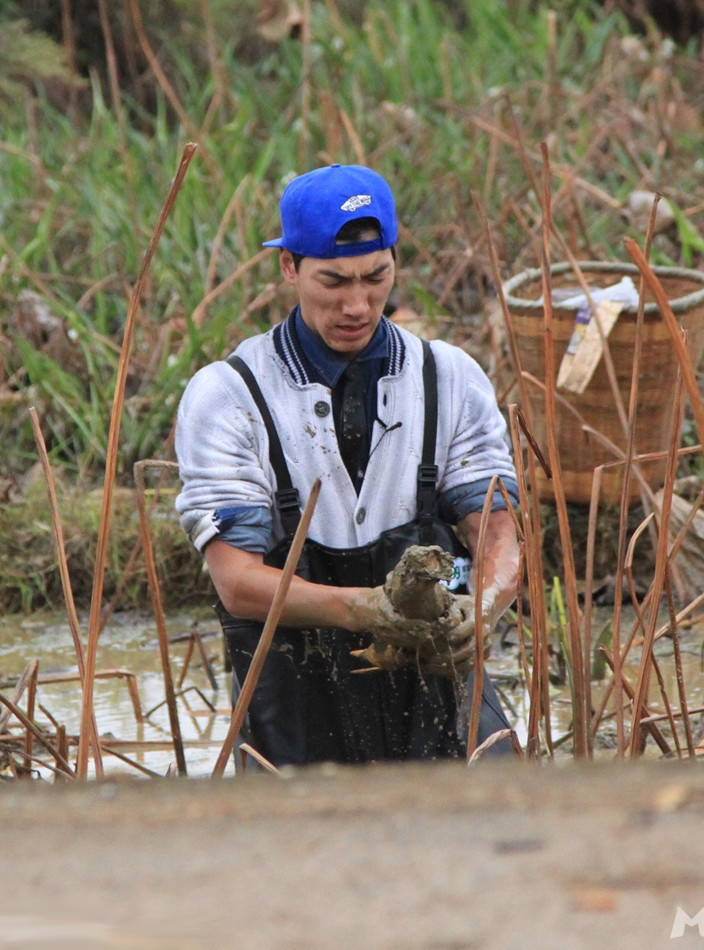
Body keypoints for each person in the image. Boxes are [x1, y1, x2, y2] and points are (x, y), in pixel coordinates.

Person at [174, 163, 521, 769]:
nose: (356, 305)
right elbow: (237, 581)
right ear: (289, 267)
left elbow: (496, 534)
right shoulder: (229, 396)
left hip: (434, 675)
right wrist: (369, 611)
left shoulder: (450, 379)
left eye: (375, 277)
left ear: (393, 260)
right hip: (295, 694)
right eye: (332, 281)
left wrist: (483, 605)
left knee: (499, 818)